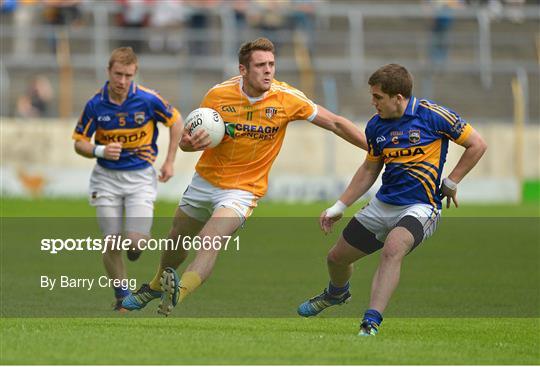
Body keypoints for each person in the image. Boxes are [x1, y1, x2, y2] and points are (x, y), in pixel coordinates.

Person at [121, 37, 367, 315]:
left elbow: (335, 122)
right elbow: (189, 138)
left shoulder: (287, 98)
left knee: (210, 239)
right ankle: (156, 285)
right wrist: (187, 144)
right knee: (178, 237)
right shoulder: (218, 95)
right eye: (261, 65)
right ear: (243, 69)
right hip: (206, 180)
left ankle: (180, 292)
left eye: (272, 64)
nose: (268, 71)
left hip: (242, 190)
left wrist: (375, 146)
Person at [297, 63, 487, 336]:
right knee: (336, 259)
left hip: (421, 207)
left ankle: (370, 322)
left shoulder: (432, 115)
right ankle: (336, 293)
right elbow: (369, 169)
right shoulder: (376, 126)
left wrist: (451, 181)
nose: (372, 102)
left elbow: (477, 144)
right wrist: (339, 206)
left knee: (393, 248)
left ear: (398, 97)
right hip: (384, 205)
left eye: (378, 97)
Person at [72, 47, 182, 311]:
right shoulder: (95, 104)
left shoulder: (148, 99)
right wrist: (100, 150)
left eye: (128, 75)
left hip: (141, 178)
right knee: (110, 239)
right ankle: (122, 295)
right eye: (118, 74)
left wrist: (169, 160)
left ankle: (133, 246)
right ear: (108, 71)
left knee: (135, 242)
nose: (122, 81)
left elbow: (176, 122)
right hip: (105, 179)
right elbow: (79, 143)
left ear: (134, 74)